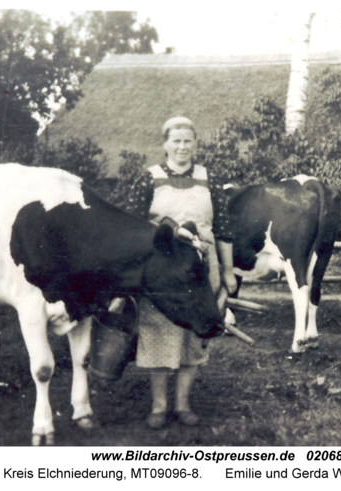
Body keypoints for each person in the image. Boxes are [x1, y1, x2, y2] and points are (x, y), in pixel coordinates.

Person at [129, 116, 237, 429]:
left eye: (188, 140)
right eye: (176, 141)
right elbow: (135, 228)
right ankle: (159, 407)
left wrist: (228, 272)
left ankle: (183, 404)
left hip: (203, 268)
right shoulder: (149, 178)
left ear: (195, 144)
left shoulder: (208, 177)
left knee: (196, 331)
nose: (182, 147)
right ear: (165, 144)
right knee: (158, 329)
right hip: (162, 270)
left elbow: (225, 229)